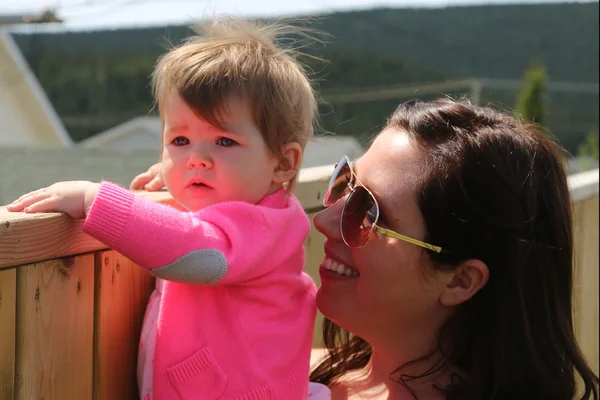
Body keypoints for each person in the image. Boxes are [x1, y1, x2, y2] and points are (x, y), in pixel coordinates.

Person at [134, 97, 600, 399]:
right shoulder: (312, 371)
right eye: (344, 183)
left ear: (460, 280)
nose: (325, 219)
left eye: (369, 213)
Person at [7, 16, 327, 400]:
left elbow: (202, 253)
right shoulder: (263, 206)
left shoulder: (262, 226)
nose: (197, 159)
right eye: (179, 140)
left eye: (224, 142)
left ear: (283, 164)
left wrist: (98, 201)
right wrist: (172, 173)